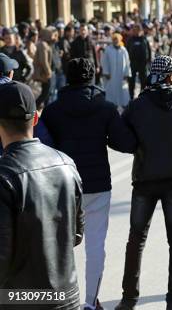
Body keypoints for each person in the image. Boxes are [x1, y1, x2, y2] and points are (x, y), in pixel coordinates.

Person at [42, 58, 137, 310]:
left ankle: (62, 300)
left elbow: (44, 146)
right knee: (96, 245)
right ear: (92, 77)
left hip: (62, 186)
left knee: (61, 246)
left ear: (68, 78)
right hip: (97, 185)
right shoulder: (105, 108)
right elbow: (126, 143)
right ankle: (89, 302)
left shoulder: (52, 110)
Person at [116, 56, 172, 310]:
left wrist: (136, 148)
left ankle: (129, 298)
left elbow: (119, 136)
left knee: (136, 238)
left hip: (144, 179)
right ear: (170, 76)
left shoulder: (137, 105)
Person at [0, 81, 84, 310]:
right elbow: (76, 234)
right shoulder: (67, 163)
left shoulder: (4, 175)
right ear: (36, 119)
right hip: (68, 297)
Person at [101, 33, 132, 108]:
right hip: (111, 75)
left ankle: (124, 105)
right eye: (114, 39)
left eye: (117, 39)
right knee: (111, 91)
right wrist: (106, 72)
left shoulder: (123, 50)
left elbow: (127, 62)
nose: (116, 41)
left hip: (121, 76)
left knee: (123, 92)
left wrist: (127, 73)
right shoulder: (108, 49)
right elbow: (104, 61)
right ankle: (111, 106)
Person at [126, 24, 152, 100]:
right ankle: (131, 97)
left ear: (141, 31)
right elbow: (126, 51)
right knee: (131, 81)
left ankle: (142, 97)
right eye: (134, 30)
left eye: (138, 30)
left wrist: (149, 61)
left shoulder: (144, 39)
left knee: (143, 81)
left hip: (143, 64)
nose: (136, 32)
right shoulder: (130, 40)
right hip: (132, 63)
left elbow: (149, 51)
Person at [32, 27, 55, 108]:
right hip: (44, 74)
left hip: (44, 73)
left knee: (46, 93)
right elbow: (43, 61)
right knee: (46, 93)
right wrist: (49, 72)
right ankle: (35, 107)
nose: (53, 36)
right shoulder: (43, 44)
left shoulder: (44, 43)